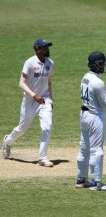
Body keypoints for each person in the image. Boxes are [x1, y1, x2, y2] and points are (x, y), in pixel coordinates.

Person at [2, 39, 55, 167]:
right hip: (29, 100)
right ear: (37, 49)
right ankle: (7, 142)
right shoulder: (30, 62)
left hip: (44, 100)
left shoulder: (50, 63)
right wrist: (33, 95)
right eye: (45, 47)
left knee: (47, 127)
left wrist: (50, 99)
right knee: (22, 129)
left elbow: (49, 82)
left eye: (47, 47)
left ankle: (42, 158)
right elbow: (21, 83)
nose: (47, 49)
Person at [75, 51, 106, 191]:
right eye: (102, 64)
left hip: (84, 116)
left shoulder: (85, 77)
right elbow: (103, 103)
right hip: (95, 117)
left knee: (84, 148)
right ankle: (96, 183)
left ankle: (81, 179)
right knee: (97, 150)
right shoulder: (98, 82)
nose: (104, 66)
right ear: (97, 65)